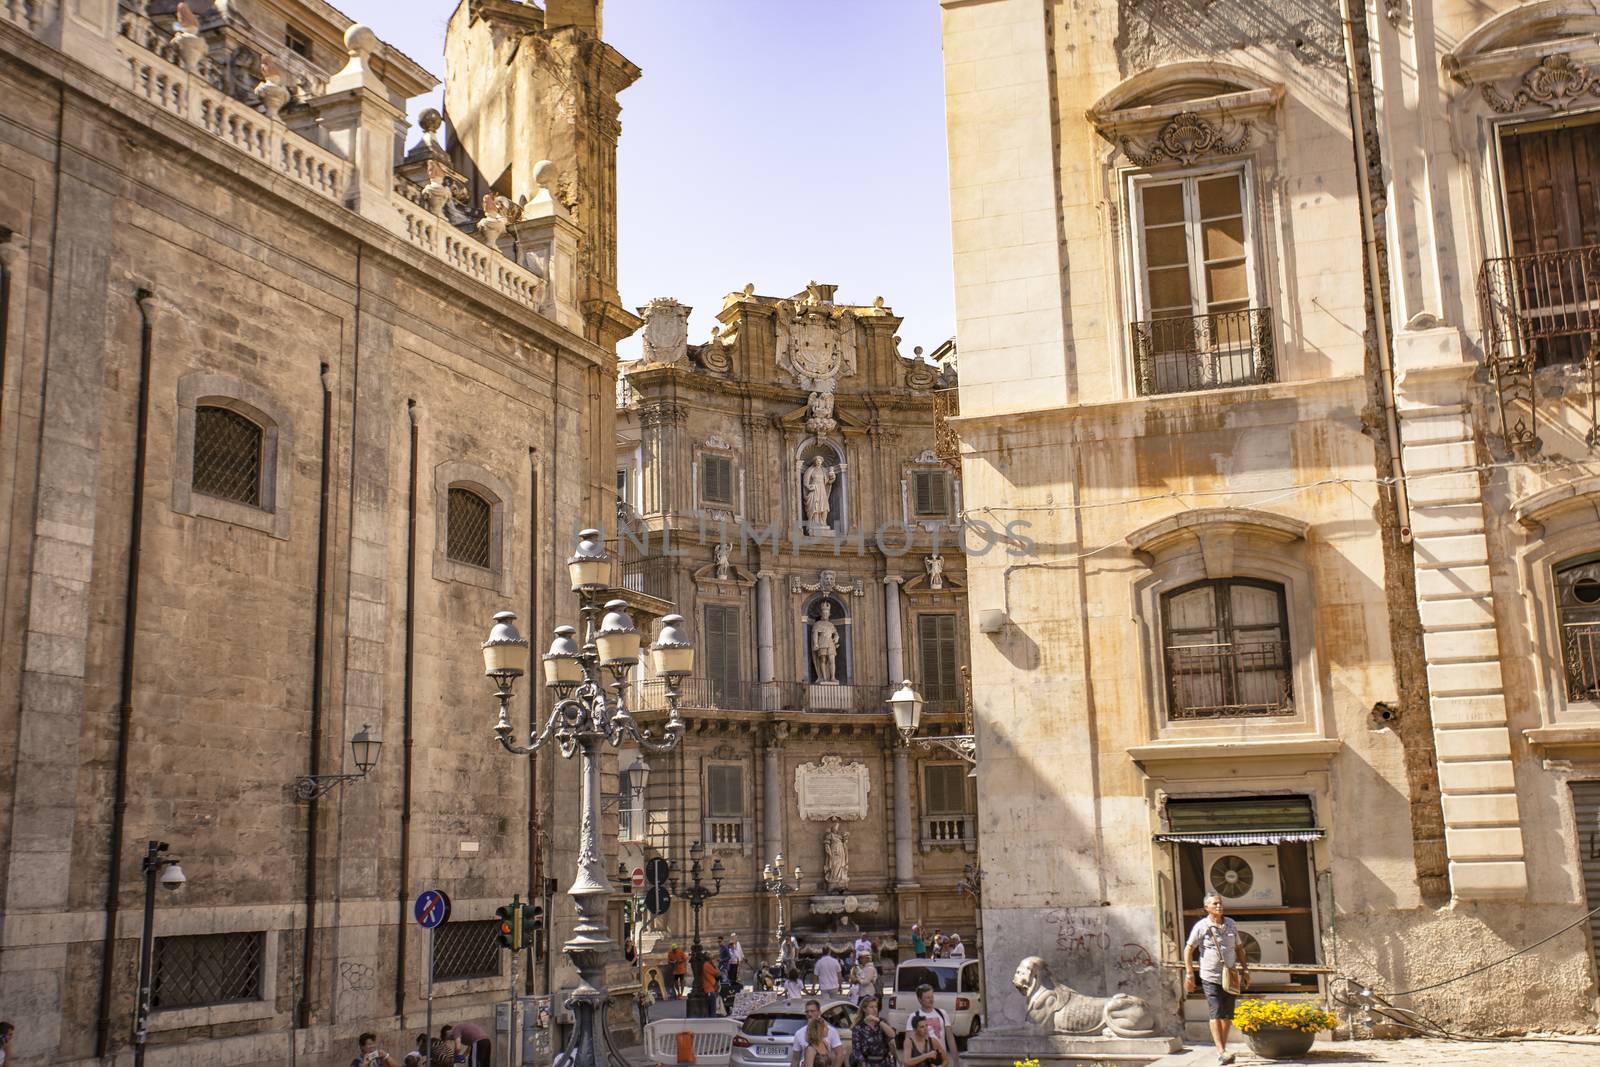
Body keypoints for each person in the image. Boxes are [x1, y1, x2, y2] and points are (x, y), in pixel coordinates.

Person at [1185, 892, 1250, 1066]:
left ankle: (1224, 1048)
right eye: (1215, 904)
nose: (1219, 906)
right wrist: (1189, 973)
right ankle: (1221, 1051)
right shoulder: (1202, 926)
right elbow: (1189, 949)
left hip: (1230, 975)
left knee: (1228, 1014)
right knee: (1216, 1011)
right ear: (1207, 908)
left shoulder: (1230, 924)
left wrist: (1245, 970)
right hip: (1210, 975)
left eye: (1220, 903)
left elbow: (1239, 948)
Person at [914, 985, 959, 1067]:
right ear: (920, 1000)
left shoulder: (942, 1014)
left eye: (932, 996)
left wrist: (956, 1061)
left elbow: (950, 1039)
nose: (931, 1000)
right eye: (927, 998)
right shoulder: (915, 1016)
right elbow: (910, 1042)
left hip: (941, 1061)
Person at [789, 1000, 843, 1067]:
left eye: (812, 1011)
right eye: (807, 1012)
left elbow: (840, 1054)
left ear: (819, 1012)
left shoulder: (830, 1035)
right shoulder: (800, 1034)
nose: (809, 1014)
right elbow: (795, 1059)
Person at [850, 995, 897, 1067]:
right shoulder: (858, 1027)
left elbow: (892, 1034)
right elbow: (856, 1050)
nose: (875, 1009)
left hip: (885, 1063)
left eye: (876, 1007)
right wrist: (863, 1063)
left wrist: (878, 1021)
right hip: (868, 1062)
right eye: (871, 1007)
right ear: (864, 1009)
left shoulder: (882, 1022)